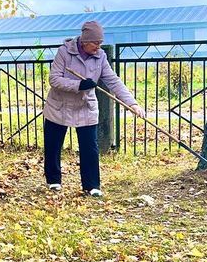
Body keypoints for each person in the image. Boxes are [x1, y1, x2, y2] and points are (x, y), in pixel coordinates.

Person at [43, 20, 145, 197]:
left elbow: (113, 80)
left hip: (85, 106)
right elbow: (54, 79)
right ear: (84, 41)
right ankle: (54, 180)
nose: (98, 46)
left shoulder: (101, 57)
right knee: (53, 144)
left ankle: (91, 185)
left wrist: (132, 103)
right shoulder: (64, 52)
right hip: (59, 105)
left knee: (90, 146)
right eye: (95, 43)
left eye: (100, 43)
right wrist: (78, 84)